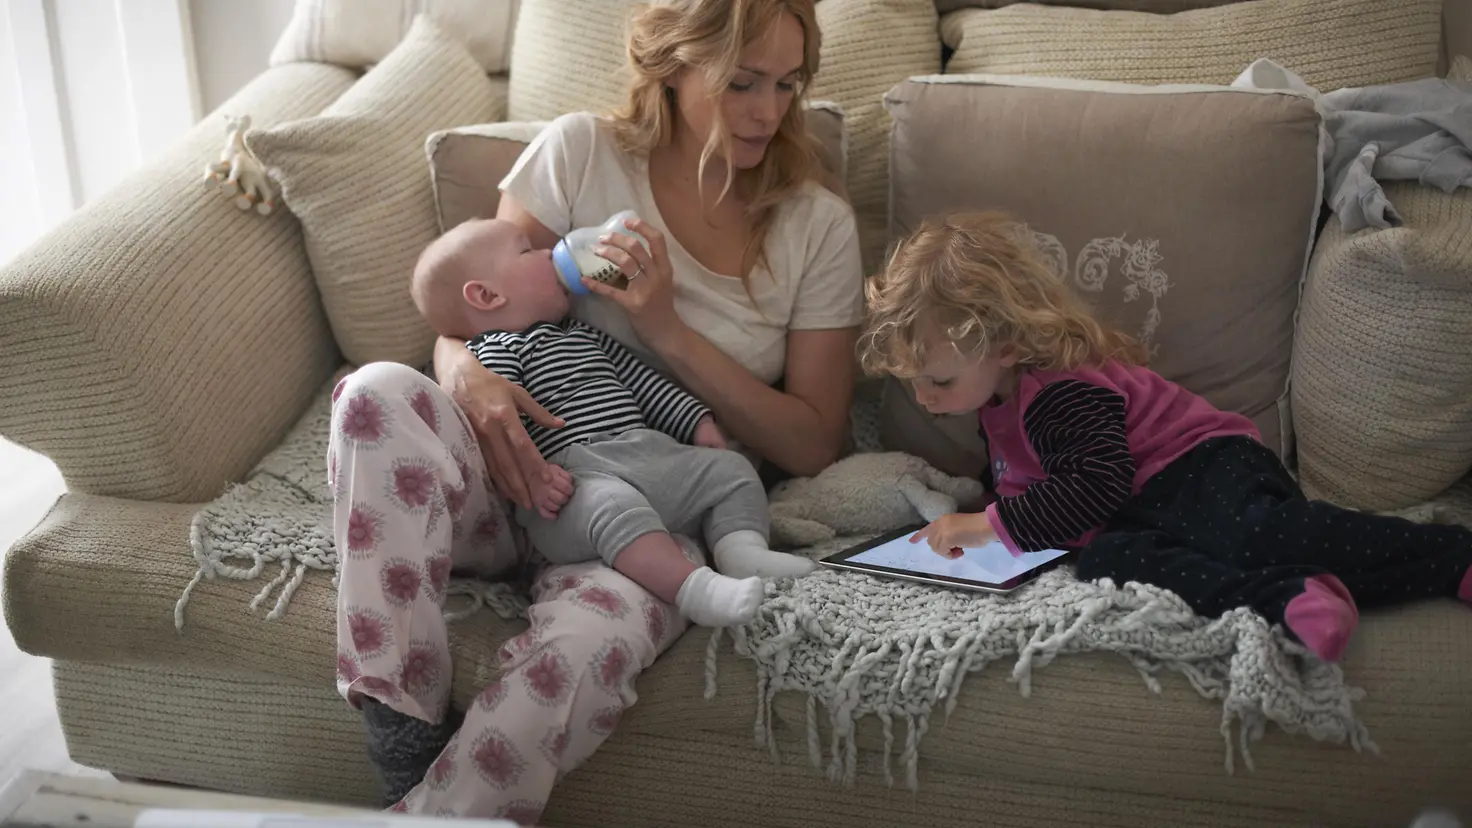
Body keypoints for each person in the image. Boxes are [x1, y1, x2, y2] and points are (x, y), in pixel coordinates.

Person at [326, 0, 862, 818]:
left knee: (583, 650)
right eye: (742, 81)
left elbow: (815, 443)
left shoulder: (815, 224)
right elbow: (467, 313)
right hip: (510, 472)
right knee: (372, 394)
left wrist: (667, 332)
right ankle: (401, 723)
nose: (769, 110)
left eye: (789, 84)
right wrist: (469, 381)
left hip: (645, 515)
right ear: (674, 68)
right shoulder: (580, 152)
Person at [857, 210, 1472, 664]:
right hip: (1138, 507)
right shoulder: (994, 394)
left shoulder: (1060, 390)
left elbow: (1095, 484)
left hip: (1203, 466)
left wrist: (988, 525)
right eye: (913, 383)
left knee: (1253, 533)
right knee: (1106, 561)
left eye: (936, 380)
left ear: (1007, 344)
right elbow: (1044, 484)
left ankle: (1453, 558)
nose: (924, 399)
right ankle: (1286, 598)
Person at [409, 216, 794, 628]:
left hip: (646, 451)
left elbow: (643, 382)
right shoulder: (493, 357)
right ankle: (696, 590)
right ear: (487, 295)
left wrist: (696, 421)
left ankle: (741, 551)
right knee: (613, 507)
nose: (548, 251)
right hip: (576, 484)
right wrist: (535, 477)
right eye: (528, 250)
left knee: (732, 470)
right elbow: (496, 436)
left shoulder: (582, 334)